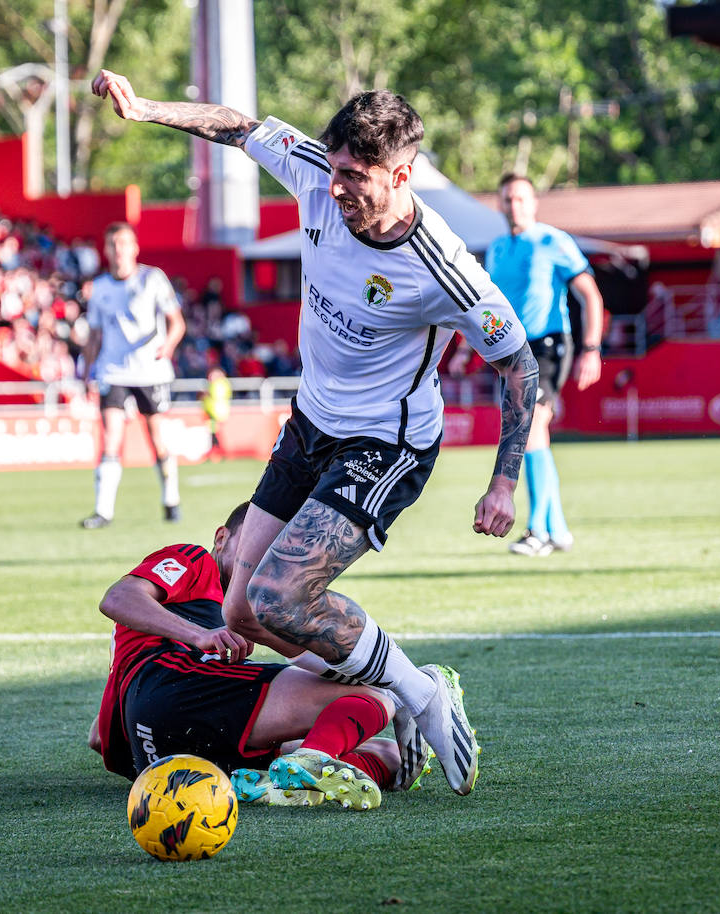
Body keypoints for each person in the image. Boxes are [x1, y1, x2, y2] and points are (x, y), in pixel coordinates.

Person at [92, 70, 541, 796]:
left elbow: (519, 367)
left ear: (402, 175)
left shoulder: (446, 270)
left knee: (279, 598)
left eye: (356, 177)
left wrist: (504, 479)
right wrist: (145, 110)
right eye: (333, 171)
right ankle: (404, 689)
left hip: (387, 445)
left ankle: (420, 698)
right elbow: (236, 125)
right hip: (310, 425)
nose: (335, 190)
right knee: (240, 608)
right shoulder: (312, 175)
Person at [88, 502, 431, 810]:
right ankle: (311, 761)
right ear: (220, 539)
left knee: (390, 756)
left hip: (159, 760)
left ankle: (284, 784)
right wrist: (199, 635)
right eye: (252, 543)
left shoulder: (257, 608)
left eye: (274, 553)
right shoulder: (195, 561)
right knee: (374, 697)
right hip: (174, 690)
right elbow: (118, 598)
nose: (262, 560)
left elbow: (98, 738)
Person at [455, 174, 604, 556]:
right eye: (507, 199)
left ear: (534, 202)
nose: (514, 205)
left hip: (549, 345)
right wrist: (466, 348)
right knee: (535, 434)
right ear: (500, 204)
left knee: (531, 427)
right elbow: (487, 308)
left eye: (521, 198)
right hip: (512, 351)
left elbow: (590, 294)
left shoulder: (553, 240)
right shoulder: (499, 248)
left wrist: (591, 348)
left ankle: (537, 530)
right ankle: (557, 529)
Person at [78, 222, 187, 529]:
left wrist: (168, 346)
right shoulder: (99, 287)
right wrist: (87, 374)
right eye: (113, 244)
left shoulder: (152, 279)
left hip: (150, 370)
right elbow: (95, 335)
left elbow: (177, 322)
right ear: (106, 249)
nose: (118, 250)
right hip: (113, 371)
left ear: (134, 248)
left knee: (156, 438)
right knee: (111, 437)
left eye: (124, 244)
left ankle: (171, 499)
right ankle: (103, 511)